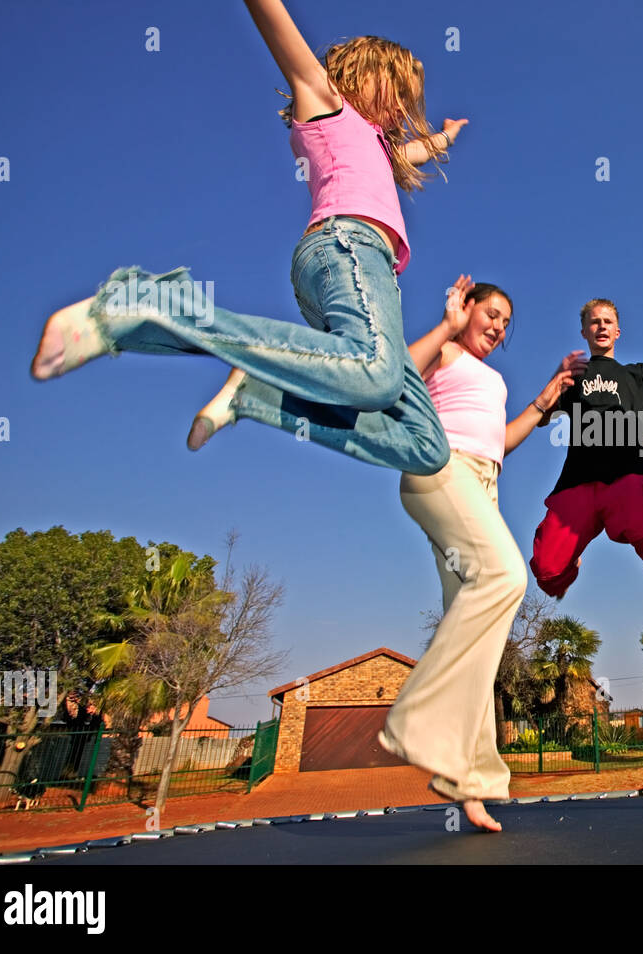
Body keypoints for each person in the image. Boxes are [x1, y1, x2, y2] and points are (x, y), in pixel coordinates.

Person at [196, 277, 585, 831]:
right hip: (440, 472)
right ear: (468, 308)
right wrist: (445, 328)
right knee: (505, 577)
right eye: (491, 313)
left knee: (477, 633)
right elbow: (392, 374)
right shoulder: (446, 349)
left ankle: (467, 779)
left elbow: (496, 443)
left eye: (506, 321)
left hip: (482, 484)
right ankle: (417, 717)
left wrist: (544, 403)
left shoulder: (495, 380)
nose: (498, 327)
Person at [30, 0, 466, 477]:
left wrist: (444, 139)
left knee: (427, 447)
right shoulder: (326, 102)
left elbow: (411, 154)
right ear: (364, 72)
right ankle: (150, 304)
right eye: (399, 89)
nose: (404, 106)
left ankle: (258, 395)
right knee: (376, 377)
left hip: (369, 278)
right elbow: (274, 23)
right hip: (346, 249)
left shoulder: (377, 145)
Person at [529, 297, 643, 656]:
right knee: (548, 574)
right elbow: (541, 417)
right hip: (578, 483)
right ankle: (571, 558)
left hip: (627, 478)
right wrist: (558, 377)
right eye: (594, 321)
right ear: (584, 331)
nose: (600, 326)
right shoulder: (574, 379)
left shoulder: (639, 376)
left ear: (617, 331)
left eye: (607, 321)